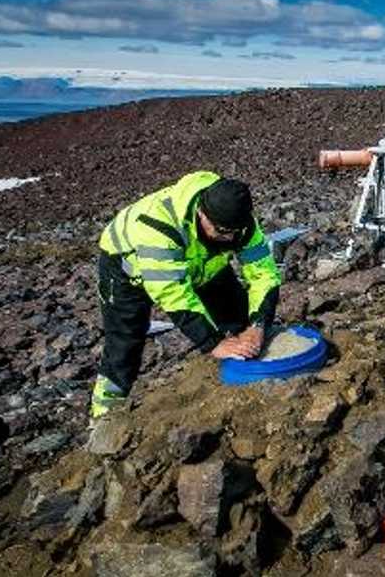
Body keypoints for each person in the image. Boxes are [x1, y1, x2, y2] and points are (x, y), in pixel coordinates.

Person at [91, 171, 281, 418]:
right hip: (127, 270)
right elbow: (174, 294)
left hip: (200, 264)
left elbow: (264, 274)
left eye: (235, 232)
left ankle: (241, 382)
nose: (230, 238)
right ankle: (104, 415)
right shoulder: (158, 226)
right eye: (222, 231)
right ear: (201, 213)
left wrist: (257, 325)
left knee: (240, 319)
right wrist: (212, 343)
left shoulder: (240, 224)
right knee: (124, 344)